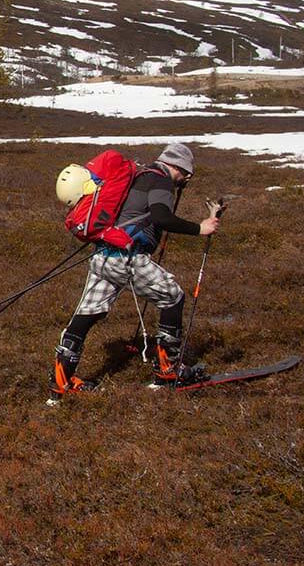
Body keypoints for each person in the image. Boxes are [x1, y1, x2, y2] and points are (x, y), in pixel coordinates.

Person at [50, 142, 221, 400]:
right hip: (127, 258)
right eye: (186, 174)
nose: (185, 180)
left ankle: (60, 383)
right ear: (178, 168)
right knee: (172, 297)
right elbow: (162, 217)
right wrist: (201, 228)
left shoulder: (136, 174)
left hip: (102, 254)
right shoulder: (161, 181)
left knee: (86, 314)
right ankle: (167, 371)